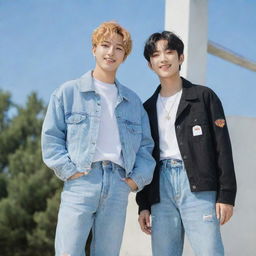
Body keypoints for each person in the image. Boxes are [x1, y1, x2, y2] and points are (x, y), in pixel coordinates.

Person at [41, 21, 155, 256]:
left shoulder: (133, 102)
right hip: (81, 180)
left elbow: (146, 147)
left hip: (118, 185)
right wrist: (69, 170)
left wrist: (135, 180)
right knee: (68, 252)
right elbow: (51, 137)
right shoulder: (68, 92)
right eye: (105, 45)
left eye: (119, 48)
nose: (111, 52)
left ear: (125, 56)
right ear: (94, 49)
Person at [136, 31, 237, 256]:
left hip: (200, 186)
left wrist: (226, 195)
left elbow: (223, 148)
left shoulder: (204, 97)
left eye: (169, 52)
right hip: (160, 189)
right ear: (150, 64)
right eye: (156, 55)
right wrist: (143, 204)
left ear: (180, 57)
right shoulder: (146, 109)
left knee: (209, 252)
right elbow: (143, 158)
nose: (163, 59)